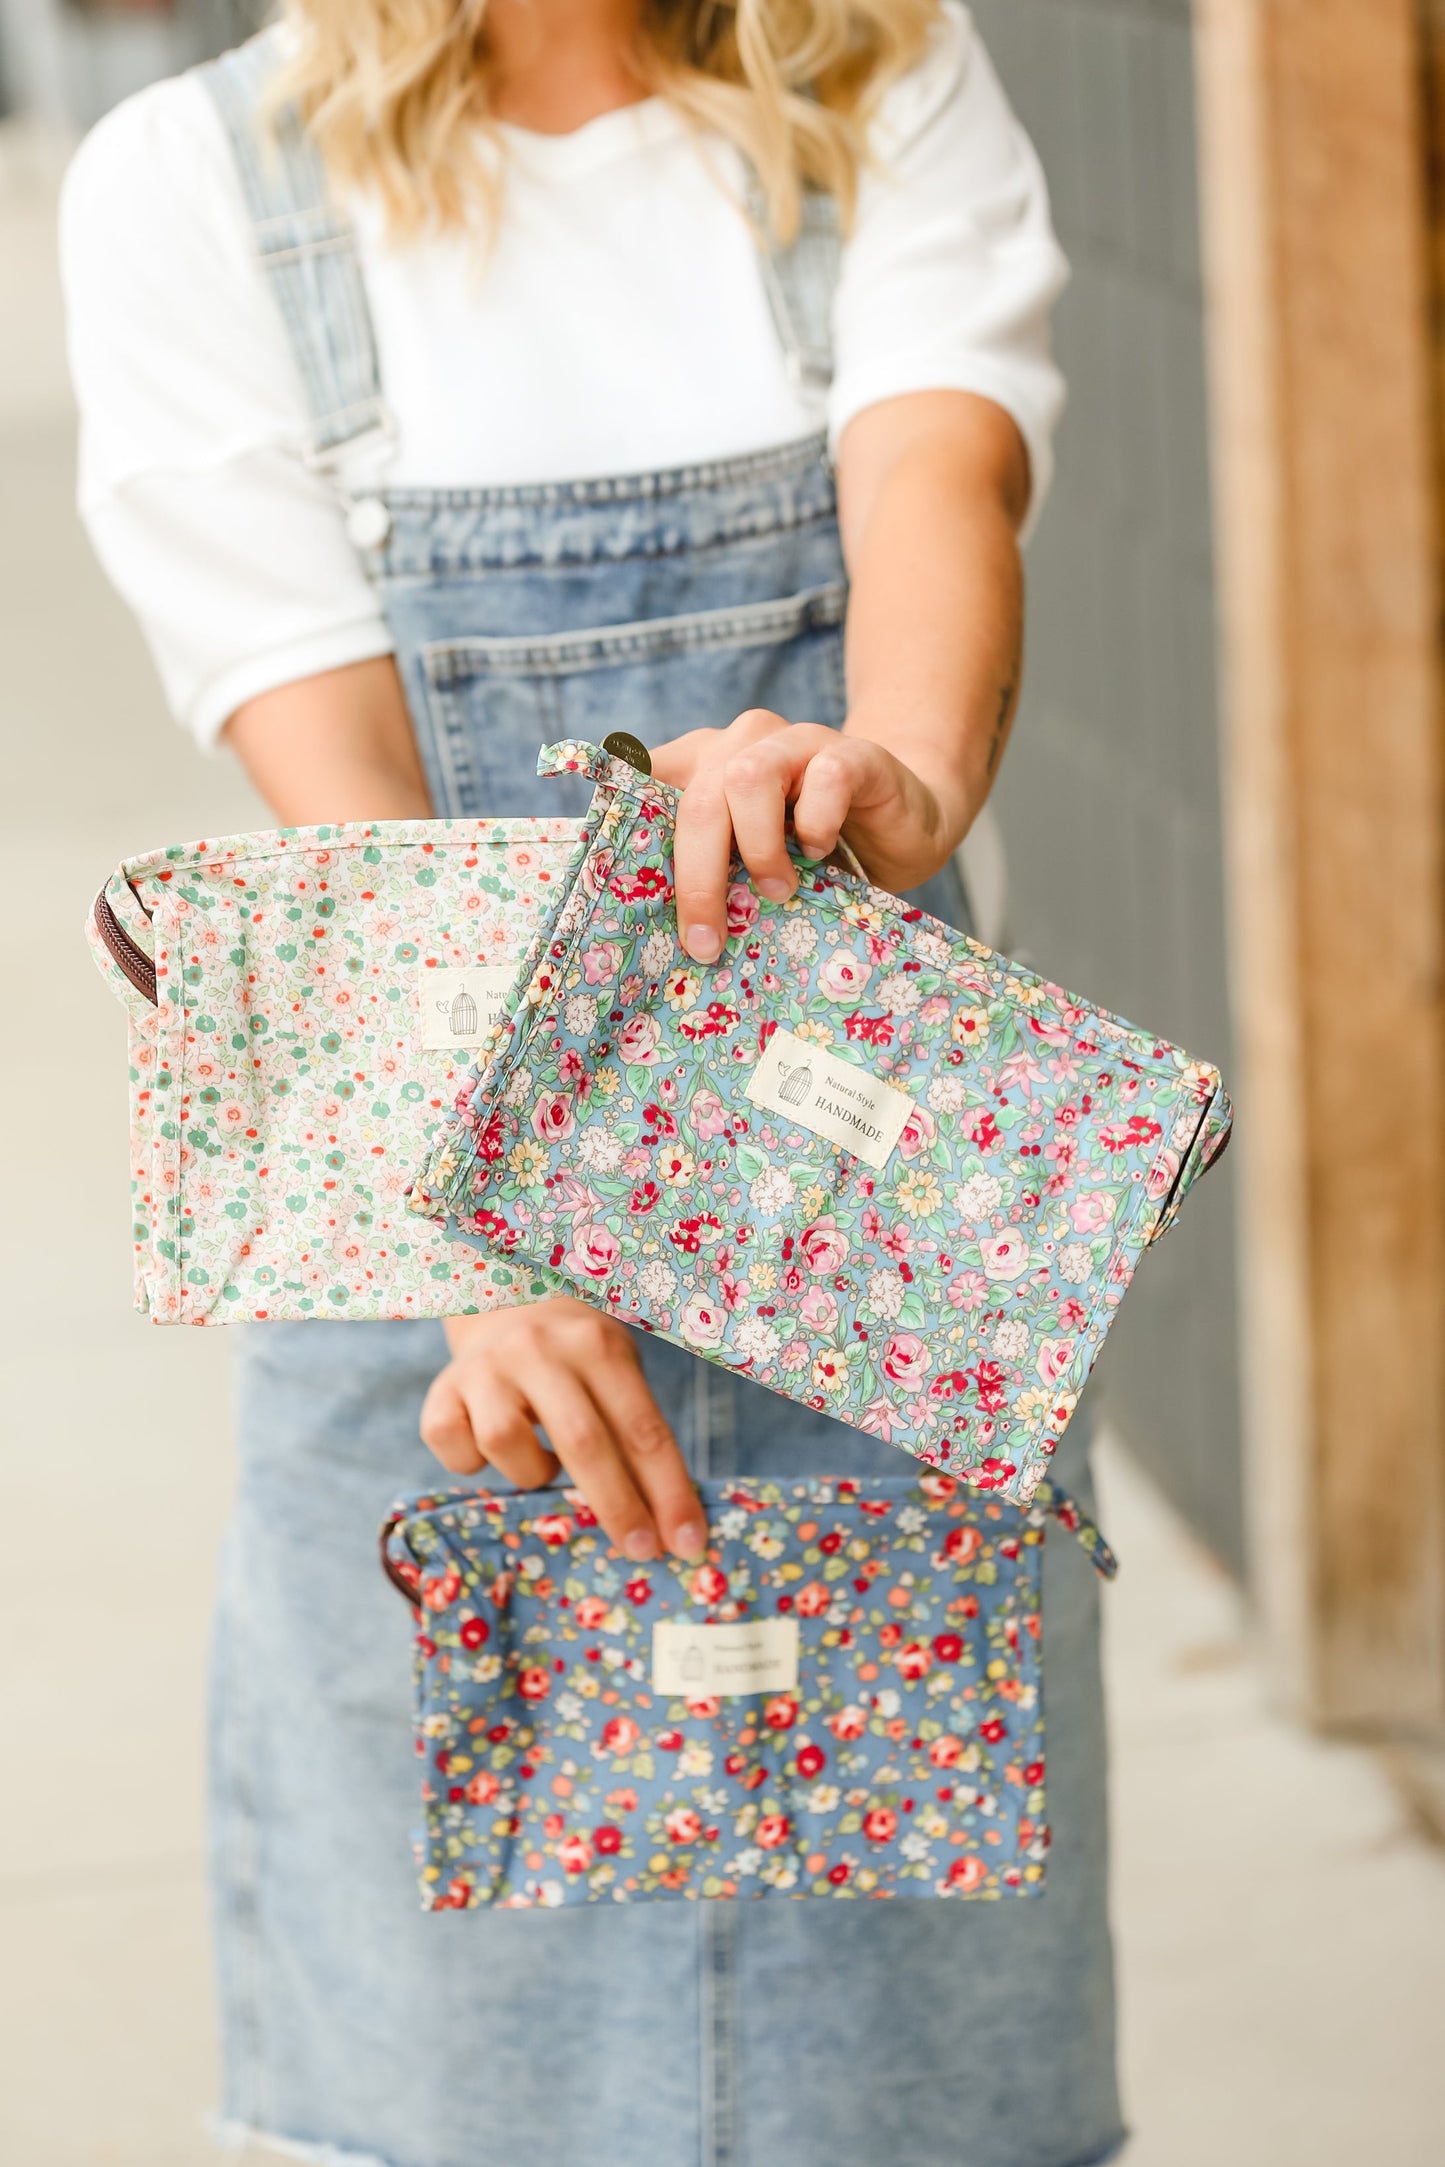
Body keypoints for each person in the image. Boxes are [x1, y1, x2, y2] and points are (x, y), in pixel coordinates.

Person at [61, 1, 1123, 2160]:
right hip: (435, 1281)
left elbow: (941, 471)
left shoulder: (875, 82)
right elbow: (337, 787)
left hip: (874, 1263)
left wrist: (884, 783)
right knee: (456, 2074)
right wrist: (487, 1234)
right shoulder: (197, 184)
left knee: (909, 2084)